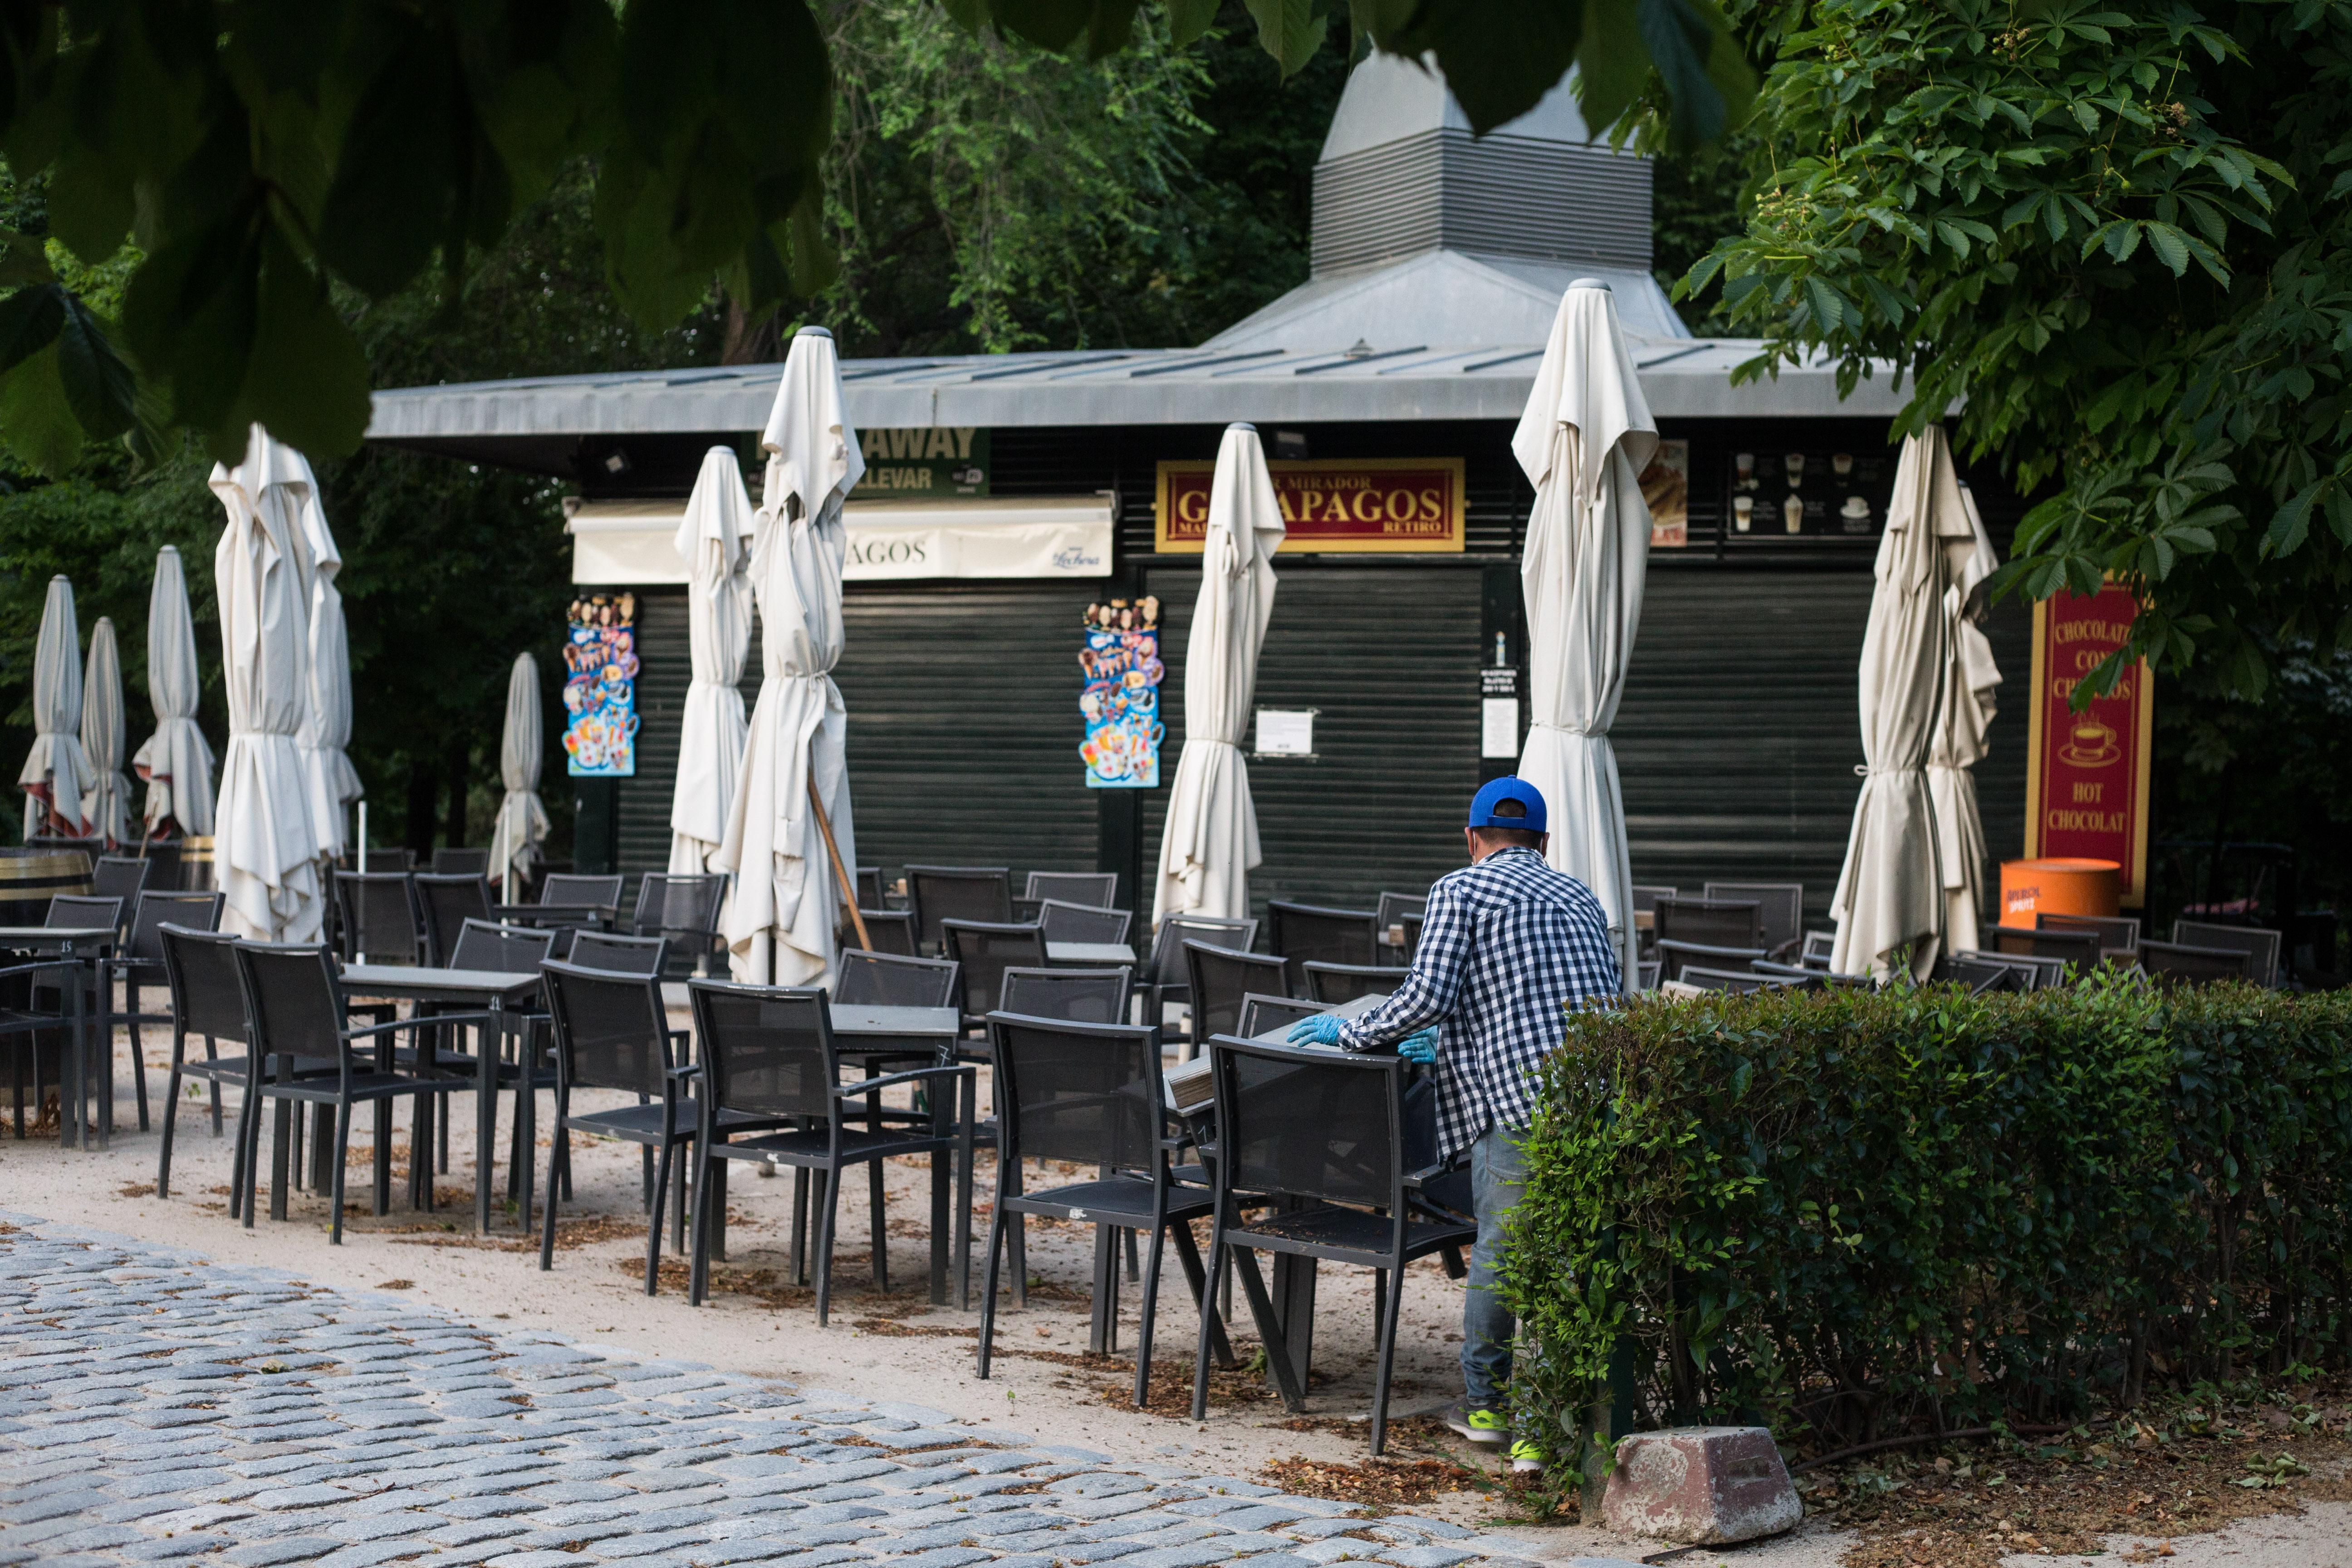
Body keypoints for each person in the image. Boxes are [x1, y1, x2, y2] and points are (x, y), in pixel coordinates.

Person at [1286, 775, 1620, 1466]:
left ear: (1472, 839)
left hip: (1522, 1100)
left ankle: (1493, 1411)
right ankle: (1554, 1417)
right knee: (1569, 1259)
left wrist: (1349, 1032)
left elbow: (1426, 996)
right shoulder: (1582, 894)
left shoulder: (1460, 889)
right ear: (1544, 841)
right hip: (1598, 1099)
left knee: (1505, 1253)